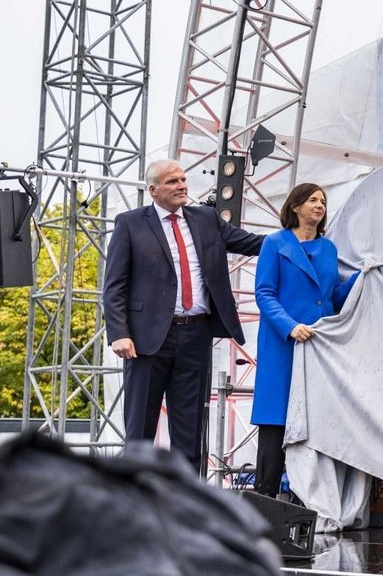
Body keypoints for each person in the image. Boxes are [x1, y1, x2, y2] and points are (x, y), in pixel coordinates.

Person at [103, 159, 263, 474]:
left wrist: (298, 236)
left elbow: (250, 243)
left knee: (190, 426)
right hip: (146, 340)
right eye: (172, 181)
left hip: (196, 335)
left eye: (183, 179)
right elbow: (114, 286)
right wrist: (119, 332)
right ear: (154, 190)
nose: (182, 186)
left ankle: (188, 500)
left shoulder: (206, 219)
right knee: (140, 427)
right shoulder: (131, 223)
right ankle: (135, 498)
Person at [252, 183, 359, 497]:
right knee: (275, 423)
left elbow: (332, 298)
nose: (319, 205)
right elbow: (264, 293)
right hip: (283, 344)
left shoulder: (329, 249)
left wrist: (361, 278)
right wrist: (289, 326)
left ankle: (307, 499)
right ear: (295, 207)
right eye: (312, 200)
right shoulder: (274, 244)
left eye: (323, 201)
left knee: (313, 425)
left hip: (318, 345)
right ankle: (264, 498)